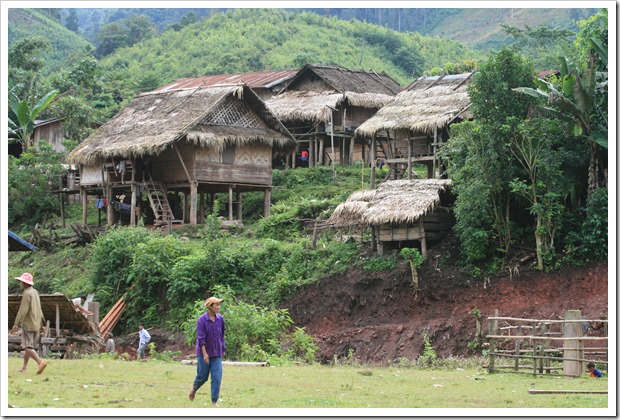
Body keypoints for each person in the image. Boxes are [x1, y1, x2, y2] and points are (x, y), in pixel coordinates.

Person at [189, 297, 226, 406]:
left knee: (216, 377)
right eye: (216, 305)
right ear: (210, 306)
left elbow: (222, 336)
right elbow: (201, 338)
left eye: (219, 305)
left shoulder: (220, 319)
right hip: (204, 353)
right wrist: (205, 354)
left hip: (217, 353)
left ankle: (214, 401)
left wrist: (222, 349)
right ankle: (194, 389)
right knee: (203, 376)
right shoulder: (202, 320)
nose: (218, 307)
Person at [11, 273, 47, 374]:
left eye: (21, 282)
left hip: (28, 323)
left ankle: (40, 362)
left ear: (25, 283)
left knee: (27, 346)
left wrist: (16, 323)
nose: (20, 284)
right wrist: (41, 323)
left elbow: (23, 310)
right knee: (29, 346)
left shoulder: (27, 293)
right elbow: (39, 309)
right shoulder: (35, 292)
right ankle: (24, 368)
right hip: (36, 323)